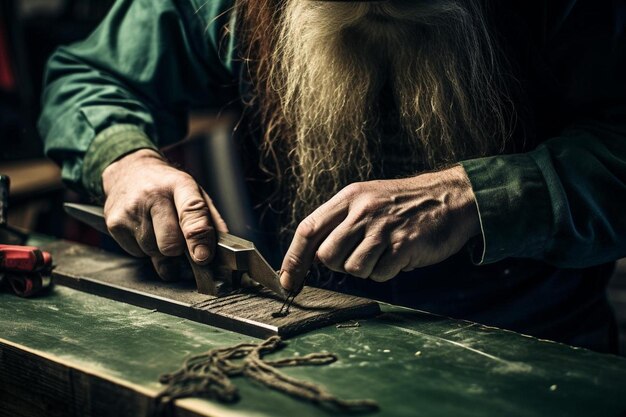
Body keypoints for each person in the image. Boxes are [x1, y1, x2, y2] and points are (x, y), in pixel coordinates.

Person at [39, 0, 626, 353]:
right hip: (296, 335)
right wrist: (126, 161)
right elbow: (91, 76)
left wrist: (474, 197)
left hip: (533, 342)